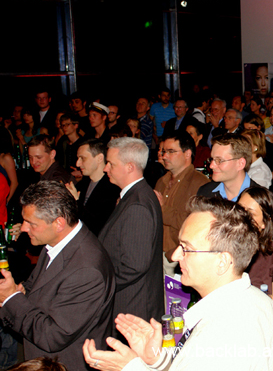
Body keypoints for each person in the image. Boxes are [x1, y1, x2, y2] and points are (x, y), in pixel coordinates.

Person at [83, 196, 273, 371]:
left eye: (187, 248)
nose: (176, 255)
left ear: (222, 262)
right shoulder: (256, 299)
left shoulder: (224, 333)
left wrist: (129, 368)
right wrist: (157, 360)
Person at [0, 181, 115, 371]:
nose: (23, 229)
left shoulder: (87, 270)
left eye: (31, 223)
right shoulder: (55, 243)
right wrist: (21, 292)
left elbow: (52, 336)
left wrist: (12, 299)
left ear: (59, 223)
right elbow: (36, 286)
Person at [98, 137, 164, 331]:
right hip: (131, 305)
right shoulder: (135, 195)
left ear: (129, 167)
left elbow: (134, 265)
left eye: (111, 163)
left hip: (133, 308)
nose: (105, 168)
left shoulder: (137, 204)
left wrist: (99, 286)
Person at [154, 131, 209, 276]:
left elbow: (196, 226)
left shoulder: (201, 184)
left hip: (180, 259)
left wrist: (161, 209)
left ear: (187, 154)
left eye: (171, 151)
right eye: (164, 151)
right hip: (157, 255)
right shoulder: (161, 181)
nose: (164, 156)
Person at [238, 187, 273, 301]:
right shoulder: (225, 244)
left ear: (265, 222)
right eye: (239, 210)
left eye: (250, 213)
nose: (241, 217)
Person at [65, 139, 120, 236]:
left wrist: (76, 202)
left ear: (99, 158)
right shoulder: (83, 184)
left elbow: (97, 225)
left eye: (83, 158)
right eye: (78, 158)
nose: (78, 163)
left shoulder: (113, 188)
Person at [197, 134, 258, 201]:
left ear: (241, 164)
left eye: (219, 160)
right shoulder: (205, 192)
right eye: (212, 159)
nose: (211, 166)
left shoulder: (260, 200)